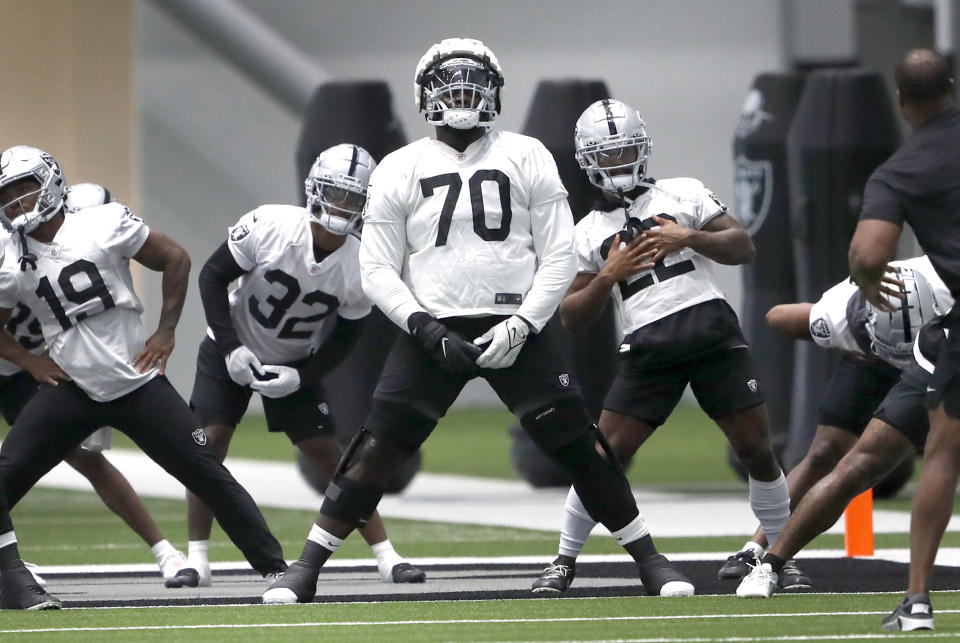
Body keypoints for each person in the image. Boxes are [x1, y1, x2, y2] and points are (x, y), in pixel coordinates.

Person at [263, 37, 692, 605]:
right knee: (375, 450)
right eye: (449, 83)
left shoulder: (528, 153)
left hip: (516, 324)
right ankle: (307, 567)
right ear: (425, 96)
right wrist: (423, 328)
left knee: (582, 447)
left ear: (494, 92)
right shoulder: (400, 166)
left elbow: (559, 253)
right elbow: (376, 267)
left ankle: (650, 560)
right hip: (431, 327)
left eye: (473, 82)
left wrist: (524, 325)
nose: (462, 94)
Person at [530, 98, 790, 594]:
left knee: (756, 448)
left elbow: (743, 247)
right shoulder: (584, 231)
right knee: (602, 457)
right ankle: (563, 560)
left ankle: (779, 557)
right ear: (587, 162)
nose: (618, 164)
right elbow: (572, 316)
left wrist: (689, 236)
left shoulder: (684, 192)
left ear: (643, 149)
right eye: (606, 156)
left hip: (711, 332)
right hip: (647, 346)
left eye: (625, 151)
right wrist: (608, 276)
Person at [0, 145, 288, 594]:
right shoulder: (11, 253)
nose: (16, 201)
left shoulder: (101, 221)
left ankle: (275, 568)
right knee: (6, 474)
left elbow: (176, 257)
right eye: (8, 193)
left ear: (51, 182)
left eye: (24, 188)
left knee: (207, 473)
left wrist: (166, 331)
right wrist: (31, 361)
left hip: (136, 380)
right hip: (73, 386)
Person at [185, 144, 424, 586]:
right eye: (335, 193)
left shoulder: (361, 261)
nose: (342, 206)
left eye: (354, 198)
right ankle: (196, 558)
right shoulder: (271, 224)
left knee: (329, 453)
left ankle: (387, 554)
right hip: (230, 348)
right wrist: (232, 347)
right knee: (208, 446)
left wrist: (303, 375)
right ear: (314, 188)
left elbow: (348, 335)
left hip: (295, 360)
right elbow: (212, 277)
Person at [0, 183, 188, 586]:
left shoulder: (87, 234)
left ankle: (165, 551)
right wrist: (30, 360)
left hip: (40, 367)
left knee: (84, 456)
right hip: (23, 359)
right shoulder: (14, 247)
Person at [831, 48, 960, 632]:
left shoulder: (902, 169)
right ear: (953, 87)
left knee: (944, 453)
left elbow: (868, 253)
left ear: (903, 103)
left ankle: (916, 602)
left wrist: (866, 281)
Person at [735, 259, 949, 601]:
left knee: (930, 457)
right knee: (841, 458)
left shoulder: (947, 283)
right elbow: (777, 316)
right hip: (869, 358)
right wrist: (855, 344)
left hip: (937, 357)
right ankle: (762, 554)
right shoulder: (837, 315)